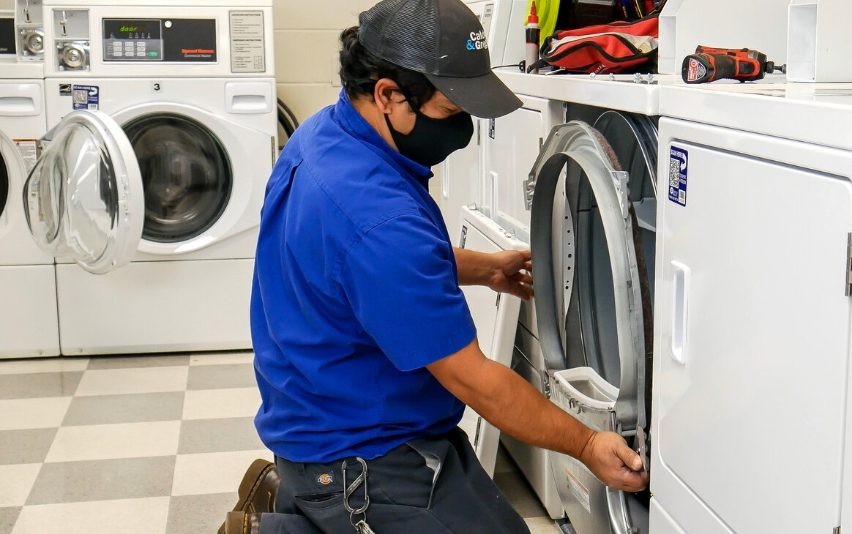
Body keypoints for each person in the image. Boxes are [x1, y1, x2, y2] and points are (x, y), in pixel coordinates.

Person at [224, 0, 648, 532]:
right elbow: (477, 382)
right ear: (388, 95)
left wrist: (485, 269)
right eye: (451, 112)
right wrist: (587, 442)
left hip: (336, 416)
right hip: (361, 459)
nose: (464, 129)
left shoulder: (324, 137)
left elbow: (365, 267)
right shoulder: (380, 220)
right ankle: (303, 519)